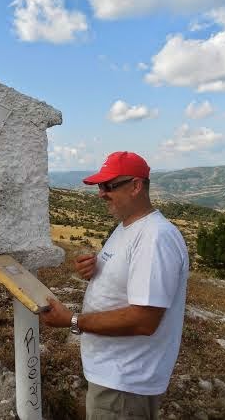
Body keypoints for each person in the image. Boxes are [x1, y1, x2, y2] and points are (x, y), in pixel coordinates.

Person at [41, 151, 189, 420]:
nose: (101, 193)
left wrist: (72, 320)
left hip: (125, 383)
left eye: (109, 186)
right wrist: (100, 268)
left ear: (135, 186)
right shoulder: (127, 227)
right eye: (100, 186)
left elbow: (144, 321)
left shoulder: (154, 237)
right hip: (114, 375)